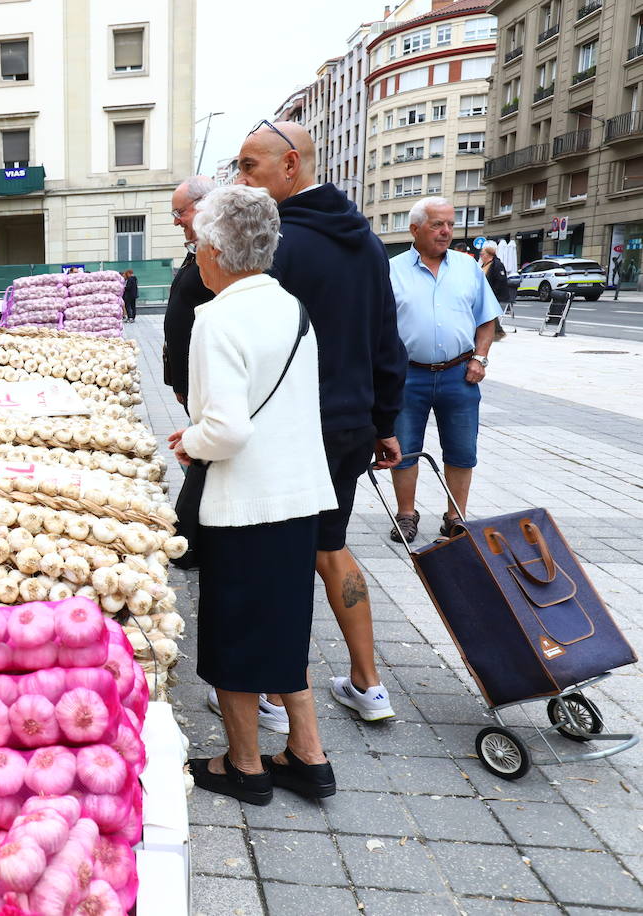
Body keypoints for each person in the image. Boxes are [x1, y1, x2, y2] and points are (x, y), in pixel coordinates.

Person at [168, 184, 338, 806]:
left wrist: (191, 439)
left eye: (196, 243)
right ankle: (308, 755)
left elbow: (228, 429)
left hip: (245, 505)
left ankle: (245, 766)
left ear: (214, 249)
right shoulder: (291, 308)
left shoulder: (217, 318)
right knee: (287, 630)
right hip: (299, 495)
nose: (196, 254)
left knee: (232, 635)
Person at [235, 120, 407, 723]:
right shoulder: (365, 242)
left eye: (249, 166)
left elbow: (255, 343)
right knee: (330, 547)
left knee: (281, 557)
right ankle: (369, 684)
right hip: (351, 425)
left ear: (290, 167)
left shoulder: (278, 245)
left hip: (294, 428)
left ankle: (279, 697)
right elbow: (388, 338)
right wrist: (385, 421)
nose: (240, 178)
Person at [389, 197, 502, 543]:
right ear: (415, 229)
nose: (446, 231)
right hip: (409, 374)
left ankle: (456, 516)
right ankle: (406, 515)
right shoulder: (390, 270)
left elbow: (487, 319)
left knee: (462, 449)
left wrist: (480, 358)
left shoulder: (468, 268)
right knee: (404, 449)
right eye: (438, 224)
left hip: (459, 373)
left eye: (450, 224)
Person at [162, 176, 217, 405]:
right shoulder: (196, 248)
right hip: (191, 386)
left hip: (205, 387)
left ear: (203, 204)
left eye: (179, 213)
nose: (176, 222)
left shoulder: (217, 251)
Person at [480, 242, 513, 338]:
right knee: (489, 312)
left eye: (483, 254)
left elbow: (501, 280)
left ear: (489, 255)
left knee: (490, 312)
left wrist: (493, 292)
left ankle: (498, 332)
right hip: (485, 293)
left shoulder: (497, 265)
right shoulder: (484, 265)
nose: (481, 256)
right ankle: (496, 332)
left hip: (494, 293)